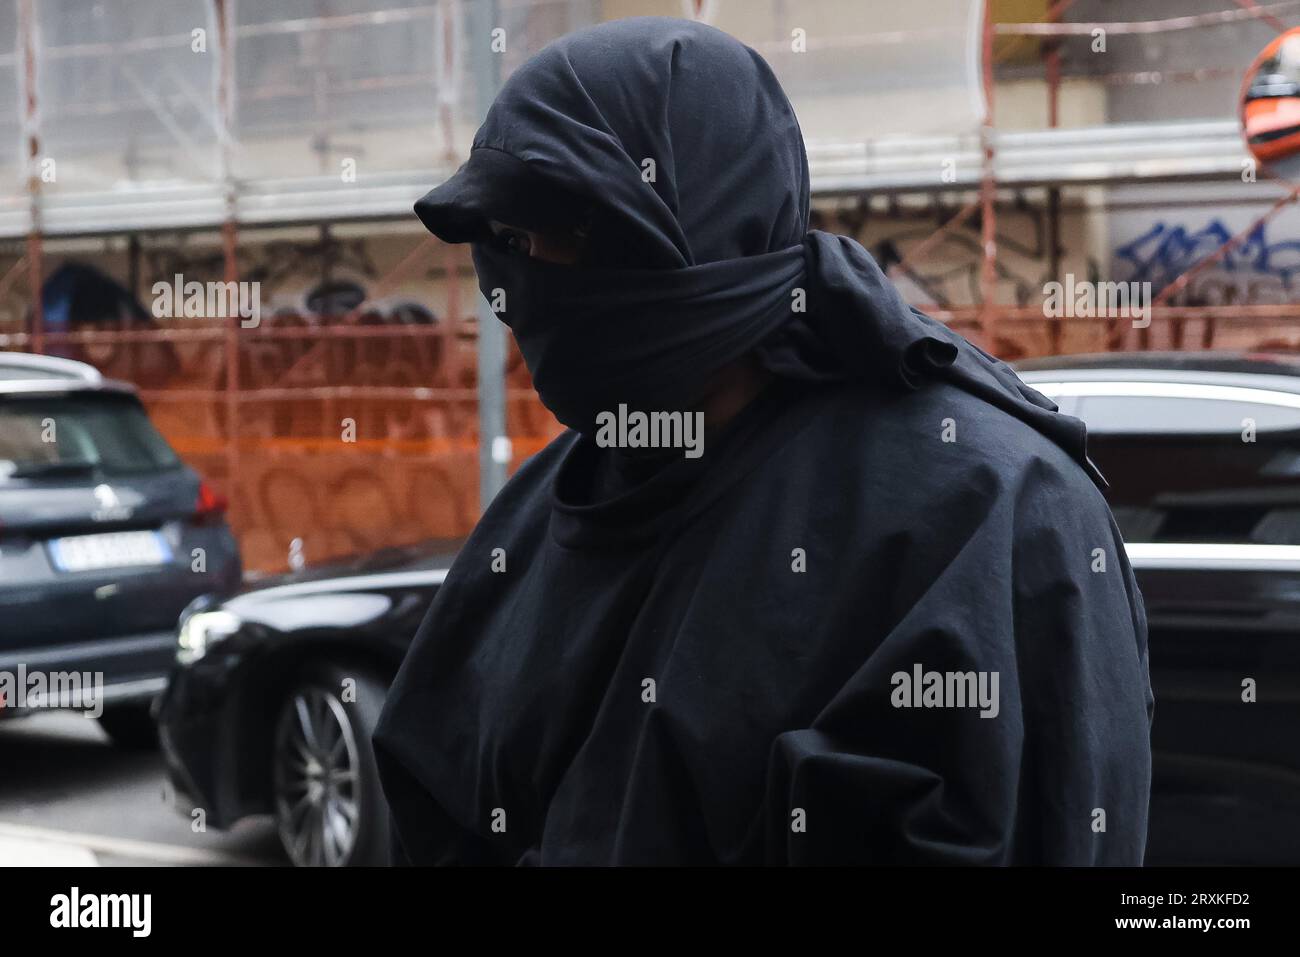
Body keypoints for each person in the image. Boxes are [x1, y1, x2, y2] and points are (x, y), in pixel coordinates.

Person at [373, 16, 1153, 865]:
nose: (519, 282)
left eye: (559, 233)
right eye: (506, 245)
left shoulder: (987, 514)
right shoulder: (541, 511)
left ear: (702, 219)